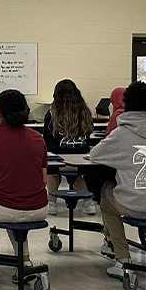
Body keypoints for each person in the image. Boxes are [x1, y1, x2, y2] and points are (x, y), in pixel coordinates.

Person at [89, 81, 146, 279]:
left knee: (106, 195)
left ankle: (121, 257)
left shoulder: (121, 134)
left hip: (136, 205)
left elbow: (95, 155)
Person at [0, 89, 48, 285]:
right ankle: (24, 261)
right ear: (25, 111)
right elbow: (43, 181)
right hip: (39, 209)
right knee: (13, 211)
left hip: (4, 208)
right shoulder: (38, 138)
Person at [43, 79, 97, 215]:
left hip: (58, 159)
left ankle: (51, 203)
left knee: (52, 172)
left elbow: (46, 139)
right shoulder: (85, 112)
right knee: (77, 175)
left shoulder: (52, 113)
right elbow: (89, 132)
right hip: (82, 160)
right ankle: (89, 203)